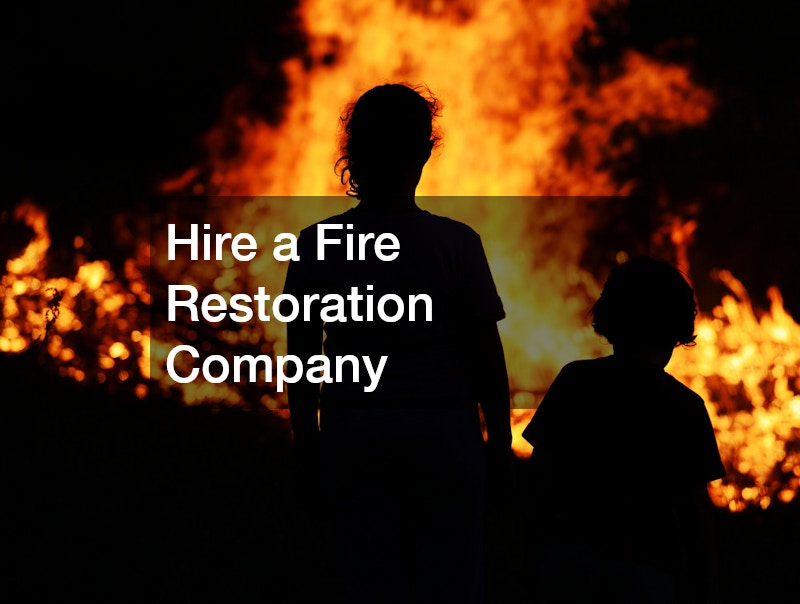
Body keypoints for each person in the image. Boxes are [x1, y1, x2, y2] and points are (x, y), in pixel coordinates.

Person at [283, 83, 513, 603]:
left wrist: (306, 447)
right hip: (443, 433)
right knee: (450, 585)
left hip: (355, 432)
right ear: (425, 152)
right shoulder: (457, 243)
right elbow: (486, 356)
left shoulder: (318, 244)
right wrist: (498, 444)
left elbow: (303, 356)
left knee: (369, 584)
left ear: (353, 151)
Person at [522, 256, 726, 604]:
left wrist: (525, 549)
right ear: (676, 331)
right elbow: (695, 509)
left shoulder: (576, 381)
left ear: (609, 320)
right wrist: (708, 587)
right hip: (645, 569)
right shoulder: (684, 406)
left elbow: (539, 475)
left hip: (566, 555)